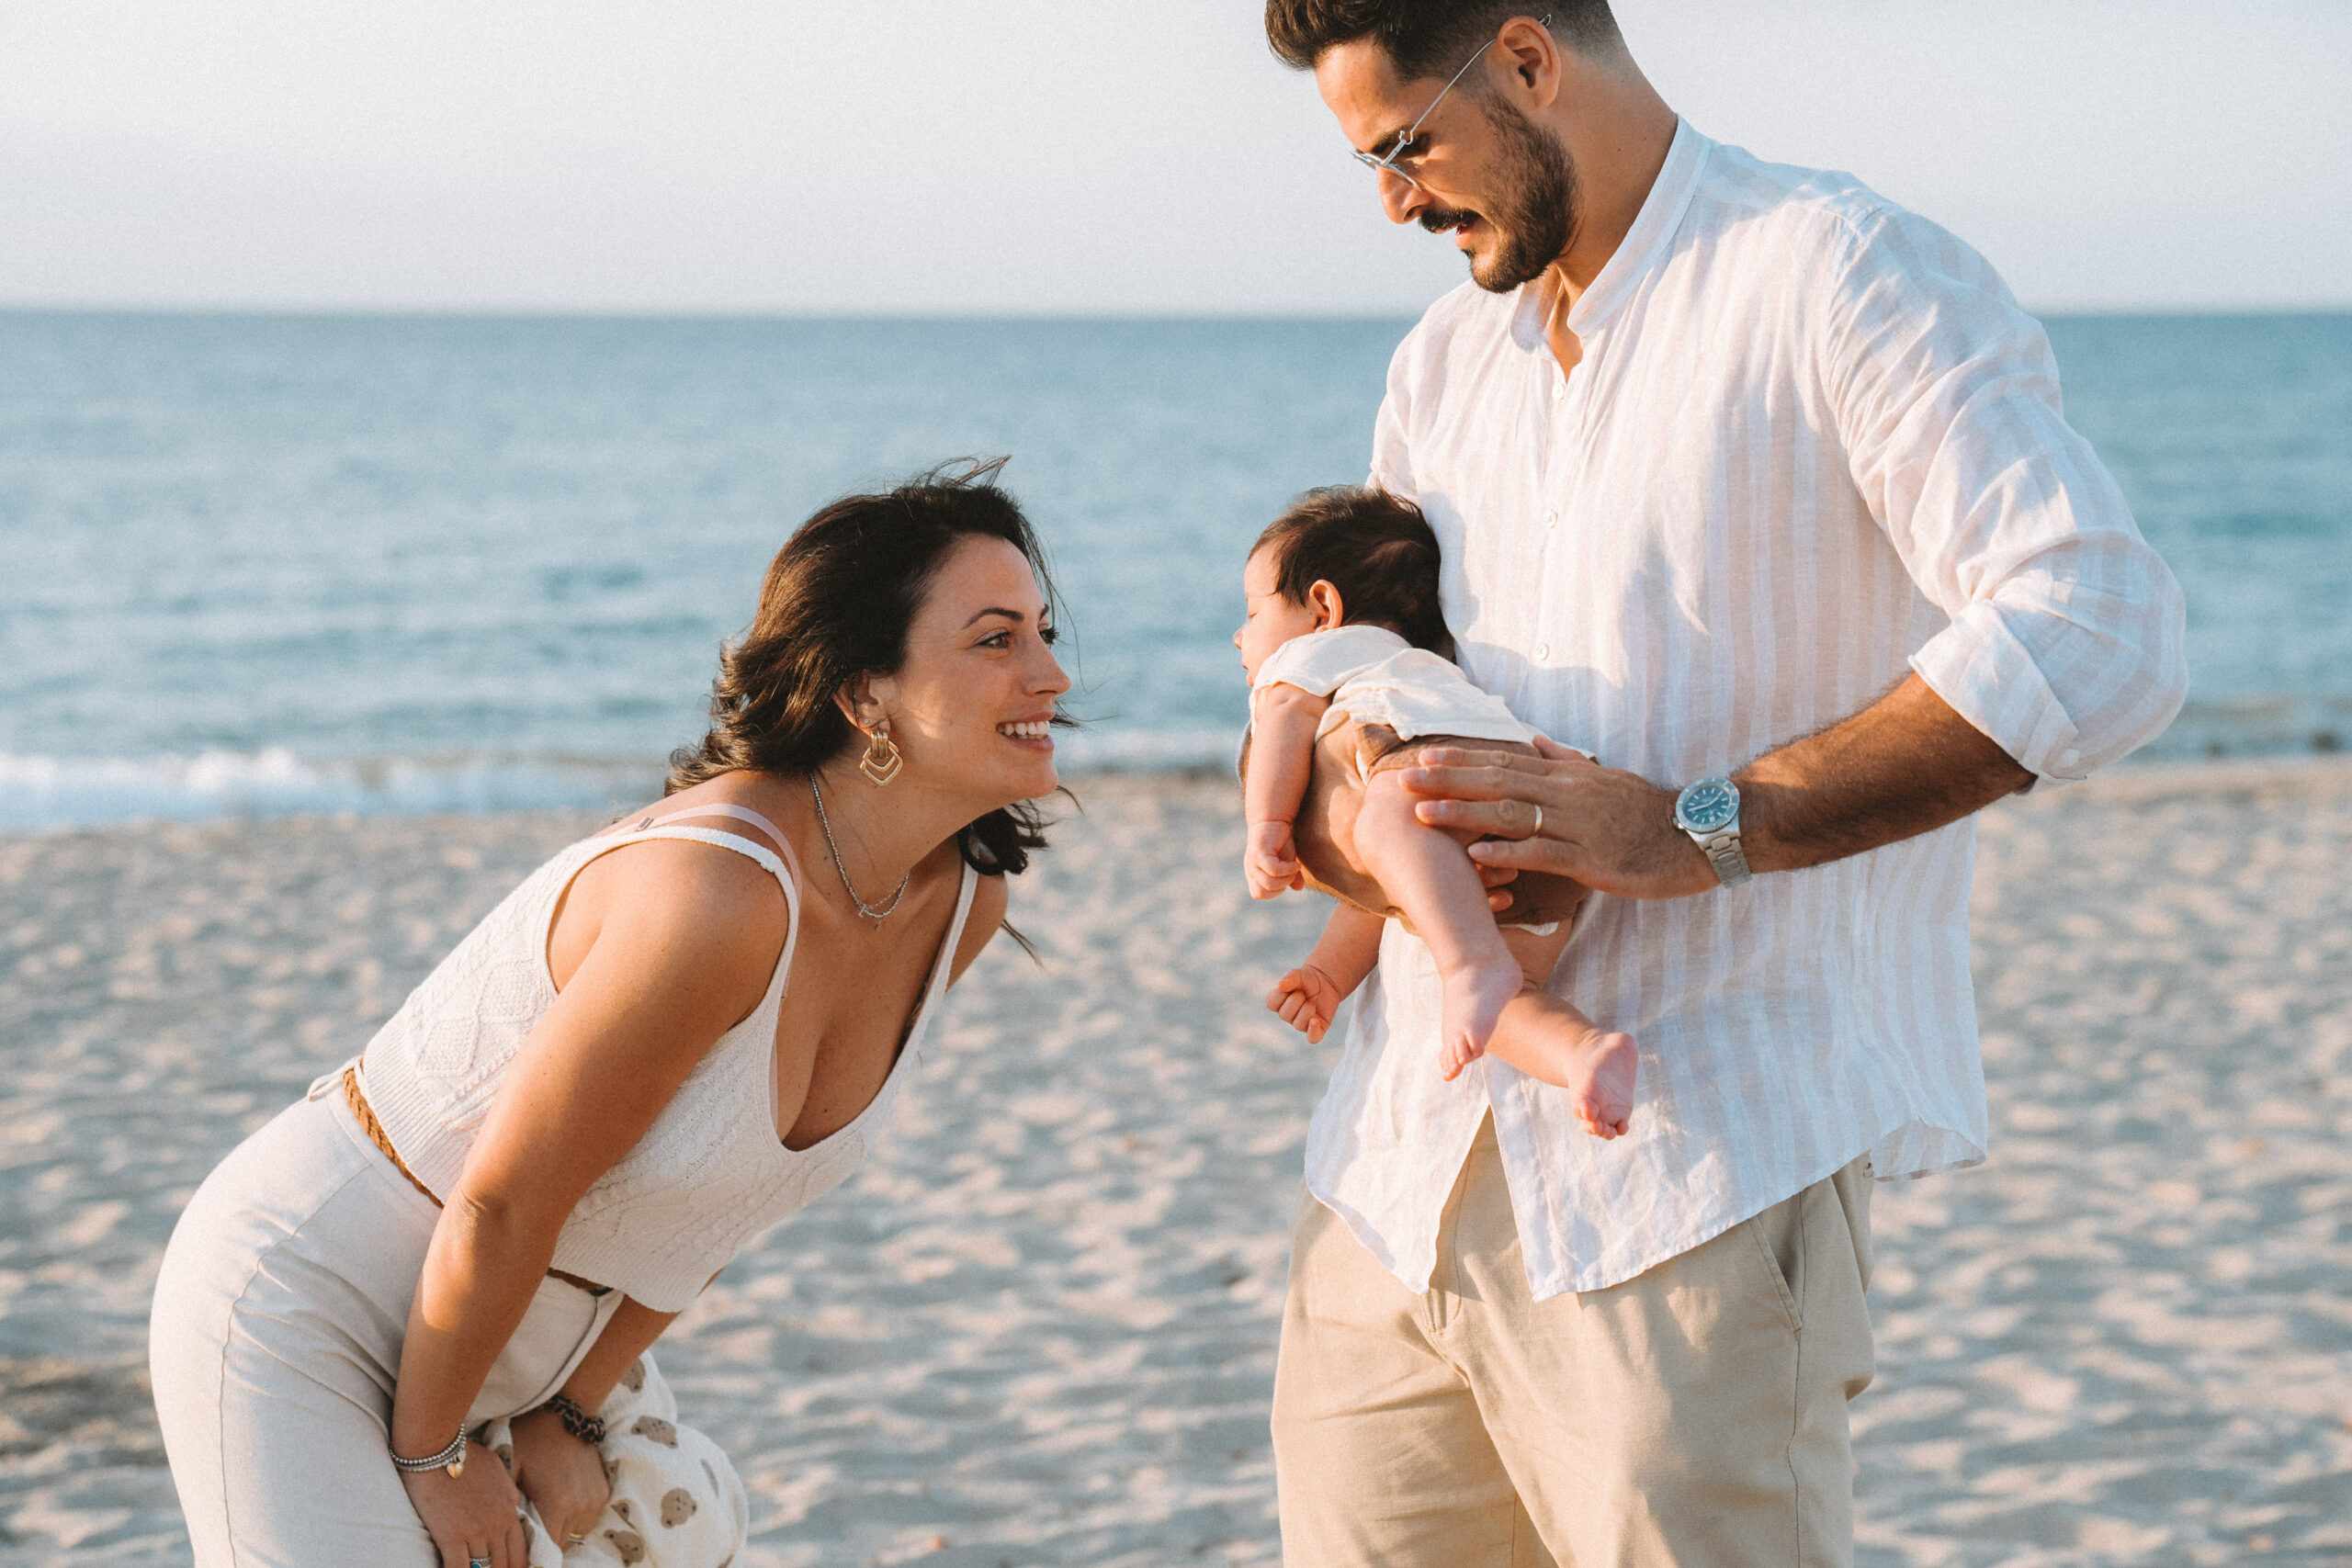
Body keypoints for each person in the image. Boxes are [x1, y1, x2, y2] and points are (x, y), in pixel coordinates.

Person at [1259, 5, 2188, 1565]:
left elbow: (2097, 628)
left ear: (1529, 59)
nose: (1394, 204)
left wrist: (1701, 826)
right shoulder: (1441, 366)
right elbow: (1359, 673)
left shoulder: (1837, 272)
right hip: (1392, 1181)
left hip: (1692, 1181)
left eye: (1405, 144)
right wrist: (1351, 801)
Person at [147, 464, 1072, 1568]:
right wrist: (435, 1457)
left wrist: (566, 1409)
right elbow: (502, 1199)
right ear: (861, 693)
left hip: (521, 1341)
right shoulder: (717, 897)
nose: (1051, 675)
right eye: (995, 639)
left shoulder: (957, 902)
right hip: (322, 1301)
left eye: (1043, 632)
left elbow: (715, 1206)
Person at [1238, 485, 1635, 1134]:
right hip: (1547, 818)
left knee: (1390, 820)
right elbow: (1394, 881)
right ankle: (1584, 1053)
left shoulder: (1322, 655)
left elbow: (1282, 718)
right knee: (1498, 991)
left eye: (1253, 612)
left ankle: (1472, 962)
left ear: (1322, 606)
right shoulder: (1440, 674)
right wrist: (1328, 973)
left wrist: (1268, 826)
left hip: (1440, 776)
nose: (1240, 635)